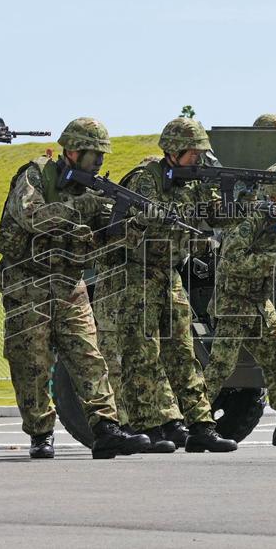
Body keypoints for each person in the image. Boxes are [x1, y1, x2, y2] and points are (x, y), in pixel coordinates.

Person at [0, 117, 151, 459]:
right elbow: (30, 215)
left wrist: (132, 223)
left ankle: (106, 428)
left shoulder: (93, 190)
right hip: (26, 282)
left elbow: (110, 241)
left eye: (103, 156)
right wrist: (83, 206)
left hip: (69, 284)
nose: (100, 163)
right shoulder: (36, 174)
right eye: (95, 156)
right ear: (74, 151)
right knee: (30, 363)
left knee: (89, 358)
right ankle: (40, 433)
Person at [95, 117, 238, 453]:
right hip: (136, 274)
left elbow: (218, 217)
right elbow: (136, 222)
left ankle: (201, 425)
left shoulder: (195, 183)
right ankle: (150, 426)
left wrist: (230, 192)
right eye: (193, 153)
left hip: (168, 272)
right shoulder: (145, 179)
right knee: (142, 353)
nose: (199, 159)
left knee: (183, 352)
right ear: (173, 152)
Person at [204, 164, 276, 446]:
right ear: (274, 193)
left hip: (259, 301)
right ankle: (194, 422)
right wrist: (274, 261)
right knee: (221, 367)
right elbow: (232, 261)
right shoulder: (252, 218)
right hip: (234, 301)